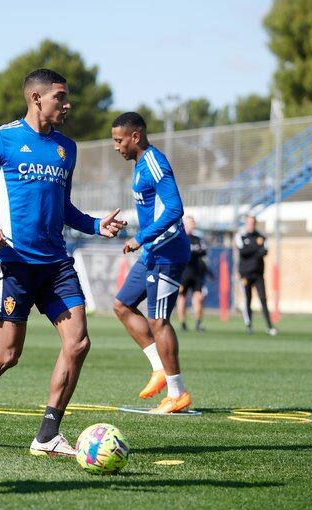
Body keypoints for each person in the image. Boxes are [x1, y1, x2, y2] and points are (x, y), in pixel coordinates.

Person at [0, 68, 126, 456]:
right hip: (11, 262)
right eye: (60, 98)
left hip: (55, 265)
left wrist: (98, 224)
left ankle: (47, 434)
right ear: (36, 98)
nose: (68, 105)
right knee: (8, 354)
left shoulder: (68, 148)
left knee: (78, 342)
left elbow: (64, 208)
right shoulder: (3, 139)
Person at [111, 112, 192, 414]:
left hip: (168, 252)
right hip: (153, 252)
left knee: (159, 321)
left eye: (119, 140)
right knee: (122, 305)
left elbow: (175, 209)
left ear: (136, 136)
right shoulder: (139, 165)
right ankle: (159, 368)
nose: (116, 146)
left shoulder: (155, 161)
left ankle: (177, 393)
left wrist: (141, 237)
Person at [235, 215, 278, 336]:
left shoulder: (261, 236)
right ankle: (248, 325)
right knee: (247, 299)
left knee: (263, 299)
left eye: (253, 223)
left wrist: (253, 249)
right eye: (249, 223)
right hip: (245, 274)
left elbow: (265, 252)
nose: (251, 225)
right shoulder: (241, 235)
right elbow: (243, 251)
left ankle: (269, 326)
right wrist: (256, 248)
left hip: (258, 273)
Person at [177, 216, 210, 332]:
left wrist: (195, 252)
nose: (193, 224)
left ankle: (198, 323)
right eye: (191, 222)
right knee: (182, 298)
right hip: (184, 273)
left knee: (198, 298)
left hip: (197, 273)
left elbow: (204, 251)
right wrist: (193, 252)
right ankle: (182, 323)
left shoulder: (197, 239)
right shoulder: (180, 238)